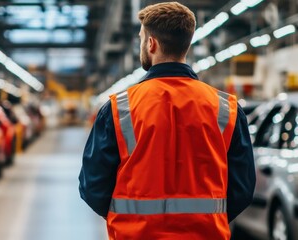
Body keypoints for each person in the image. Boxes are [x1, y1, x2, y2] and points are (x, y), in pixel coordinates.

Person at [78, 2, 255, 239]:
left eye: (142, 38)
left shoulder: (119, 107)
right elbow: (242, 188)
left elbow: (93, 186)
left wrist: (129, 219)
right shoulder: (226, 108)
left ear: (151, 43)